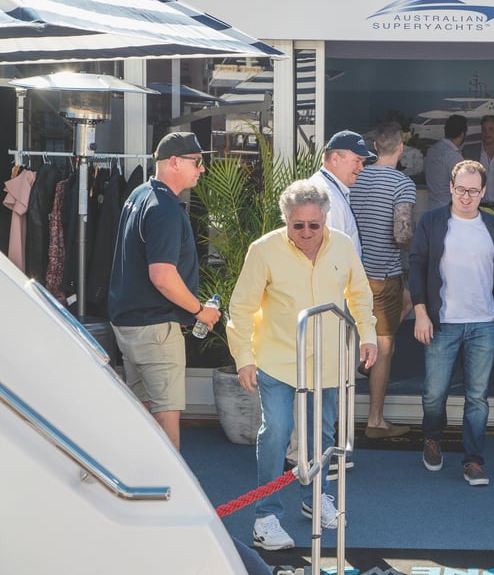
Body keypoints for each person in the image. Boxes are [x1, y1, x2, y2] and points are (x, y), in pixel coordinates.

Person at [227, 180, 378, 551]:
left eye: (314, 224)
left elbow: (359, 294)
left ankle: (316, 497)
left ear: (325, 220)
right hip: (278, 359)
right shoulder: (263, 250)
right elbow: (242, 308)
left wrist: (369, 334)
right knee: (277, 431)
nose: (307, 233)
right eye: (298, 226)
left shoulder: (342, 245)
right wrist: (244, 358)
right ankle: (265, 516)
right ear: (286, 221)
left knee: (323, 436)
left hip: (328, 361)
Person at [108, 131, 221, 450]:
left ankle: (143, 487)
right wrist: (201, 311)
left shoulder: (139, 195)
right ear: (174, 162)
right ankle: (173, 495)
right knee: (166, 417)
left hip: (131, 325)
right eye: (197, 162)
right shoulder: (165, 208)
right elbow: (162, 276)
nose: (202, 169)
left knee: (141, 417)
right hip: (155, 329)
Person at [409, 160, 494, 487]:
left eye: (473, 191)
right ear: (451, 188)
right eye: (460, 190)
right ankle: (432, 438)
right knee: (433, 394)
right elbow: (416, 266)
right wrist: (421, 312)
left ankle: (473, 460)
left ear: (484, 191)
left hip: (484, 323)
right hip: (443, 323)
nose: (466, 197)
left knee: (477, 397)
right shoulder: (432, 222)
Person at [350, 122, 416, 439]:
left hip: (352, 275)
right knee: (386, 346)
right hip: (383, 274)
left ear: (375, 147)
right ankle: (375, 420)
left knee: (407, 301)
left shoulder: (355, 177)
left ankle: (365, 358)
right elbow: (401, 234)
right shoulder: (402, 184)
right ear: (400, 148)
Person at [309, 130, 377, 255]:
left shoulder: (329, 188)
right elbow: (331, 255)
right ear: (335, 159)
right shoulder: (328, 196)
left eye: (363, 162)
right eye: (357, 161)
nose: (361, 168)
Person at [424, 114, 467, 210]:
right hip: (448, 211)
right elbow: (463, 187)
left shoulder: (431, 151)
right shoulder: (454, 157)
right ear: (462, 134)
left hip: (432, 208)